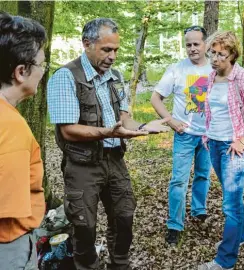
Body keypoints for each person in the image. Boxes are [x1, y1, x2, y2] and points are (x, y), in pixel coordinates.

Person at [47, 18, 169, 270]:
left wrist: (144, 127)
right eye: (106, 50)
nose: (113, 56)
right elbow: (68, 131)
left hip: (114, 160)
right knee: (84, 226)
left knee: (124, 217)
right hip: (82, 165)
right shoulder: (66, 77)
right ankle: (87, 265)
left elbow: (124, 119)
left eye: (116, 50)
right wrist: (106, 131)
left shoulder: (115, 76)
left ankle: (119, 264)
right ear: (87, 44)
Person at [198, 31, 244, 270]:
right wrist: (207, 136)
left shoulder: (243, 77)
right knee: (233, 200)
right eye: (213, 53)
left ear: (232, 55)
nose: (215, 58)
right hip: (214, 145)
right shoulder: (210, 78)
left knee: (229, 204)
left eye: (221, 54)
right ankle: (239, 237)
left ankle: (225, 260)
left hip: (234, 149)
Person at [151, 25, 213, 245]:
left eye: (196, 44)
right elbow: (155, 98)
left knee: (203, 175)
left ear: (206, 44)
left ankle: (199, 210)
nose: (192, 49)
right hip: (184, 135)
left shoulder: (215, 68)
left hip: (208, 136)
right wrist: (171, 121)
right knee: (179, 180)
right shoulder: (176, 69)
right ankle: (174, 225)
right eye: (188, 45)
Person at [0, 12, 47, 269]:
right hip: (9, 248)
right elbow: (7, 208)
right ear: (21, 71)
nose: (42, 72)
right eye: (42, 65)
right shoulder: (11, 126)